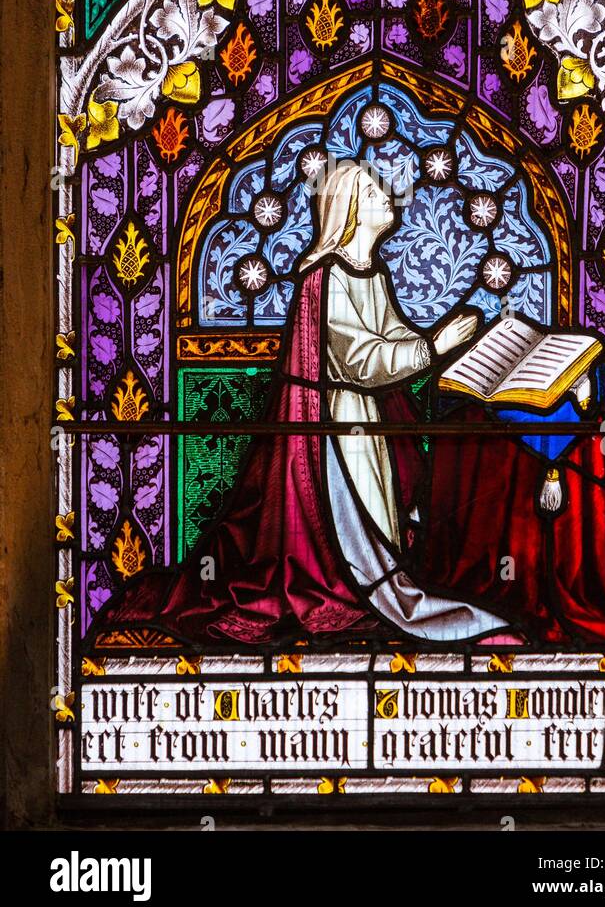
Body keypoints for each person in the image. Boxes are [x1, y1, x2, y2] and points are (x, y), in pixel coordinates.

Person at [97, 161, 509, 646]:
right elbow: (360, 360)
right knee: (358, 531)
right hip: (335, 426)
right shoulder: (326, 276)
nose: (387, 201)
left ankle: (373, 586)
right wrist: (432, 348)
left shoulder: (372, 273)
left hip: (366, 420)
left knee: (382, 525)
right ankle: (364, 591)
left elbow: (392, 338)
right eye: (375, 194)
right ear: (350, 210)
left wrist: (435, 345)